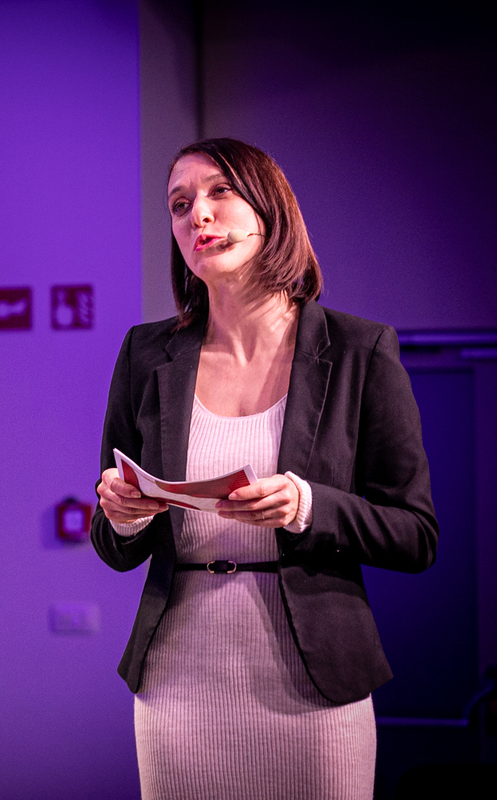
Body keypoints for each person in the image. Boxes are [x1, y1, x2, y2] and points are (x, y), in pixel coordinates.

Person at [91, 138, 438, 799]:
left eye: (220, 192)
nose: (198, 214)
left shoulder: (360, 350)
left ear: (270, 209)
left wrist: (307, 506)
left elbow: (416, 534)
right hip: (176, 686)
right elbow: (112, 542)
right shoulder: (146, 353)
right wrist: (124, 514)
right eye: (180, 204)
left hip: (314, 688)